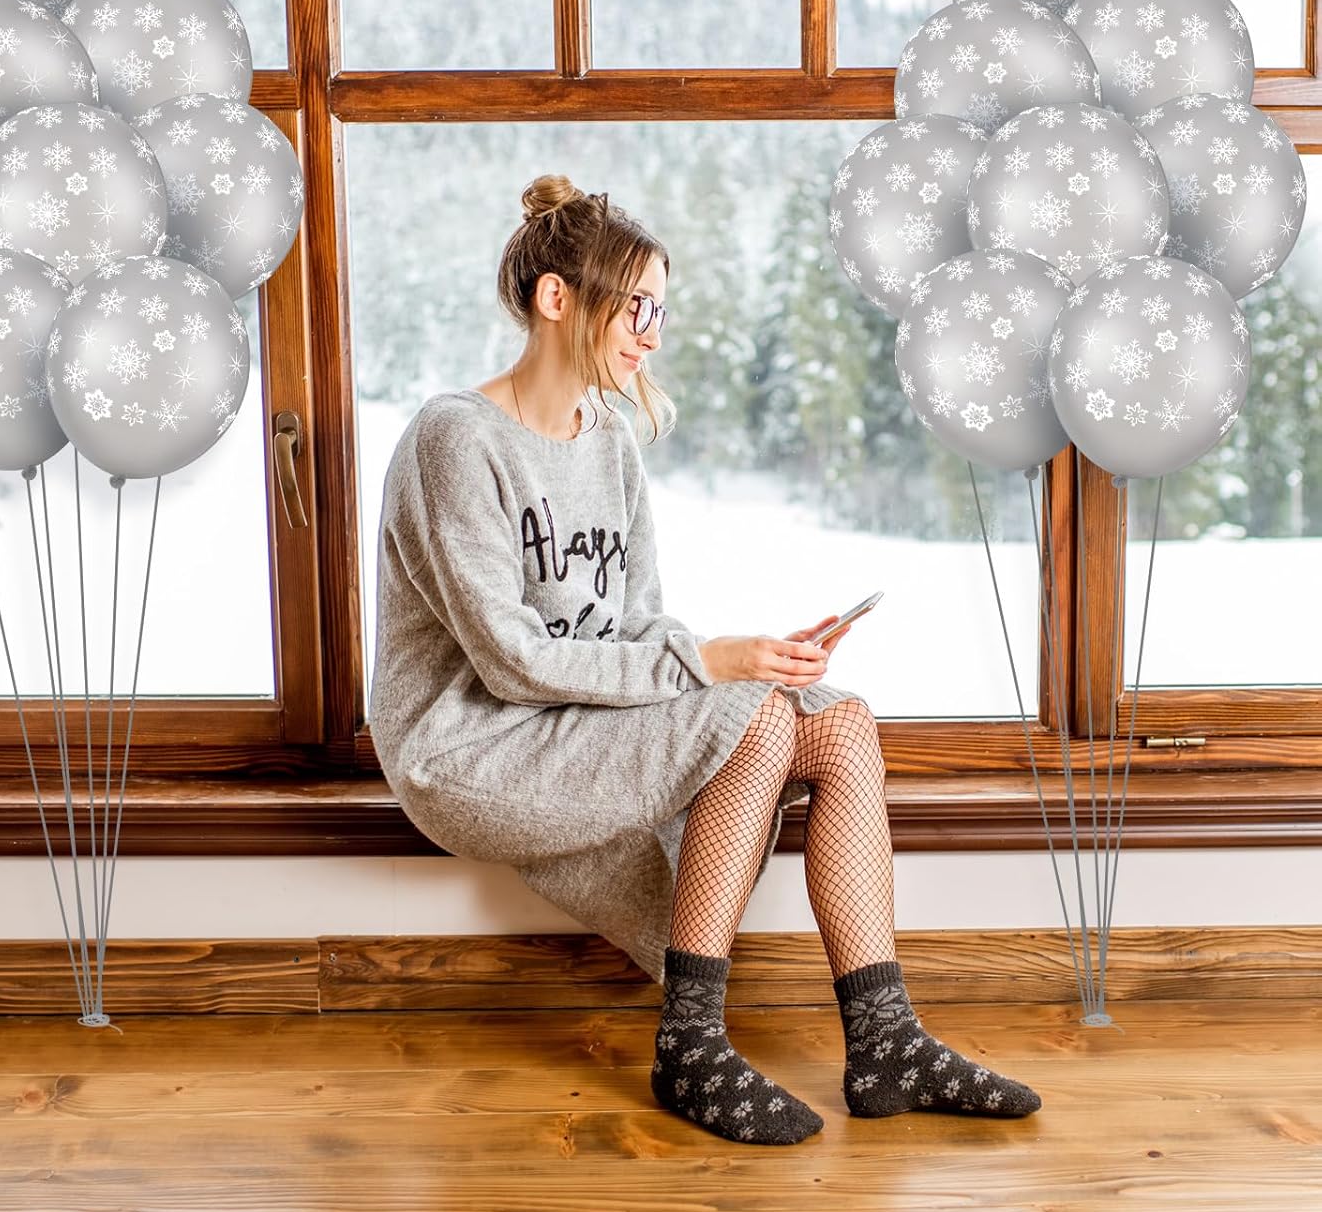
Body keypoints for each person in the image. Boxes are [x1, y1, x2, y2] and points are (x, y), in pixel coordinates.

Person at [368, 174, 1041, 1146]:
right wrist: (711, 667)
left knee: (837, 722)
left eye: (662, 310)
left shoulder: (610, 442)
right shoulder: (455, 439)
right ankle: (689, 1046)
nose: (652, 333)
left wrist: (751, 657)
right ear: (557, 299)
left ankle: (886, 1040)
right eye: (636, 307)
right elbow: (511, 663)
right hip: (470, 744)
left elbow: (636, 627)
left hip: (571, 716)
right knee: (752, 714)